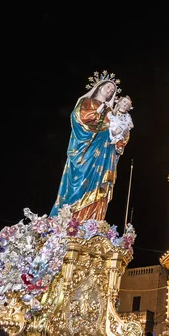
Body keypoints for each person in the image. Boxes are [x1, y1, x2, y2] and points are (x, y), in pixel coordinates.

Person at [50, 70, 131, 222]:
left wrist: (122, 136)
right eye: (108, 87)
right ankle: (70, 220)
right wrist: (97, 113)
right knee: (81, 181)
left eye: (113, 91)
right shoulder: (87, 102)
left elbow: (119, 132)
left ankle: (92, 223)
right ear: (100, 87)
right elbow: (80, 119)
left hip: (105, 153)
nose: (110, 91)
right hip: (87, 149)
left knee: (101, 186)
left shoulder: (111, 111)